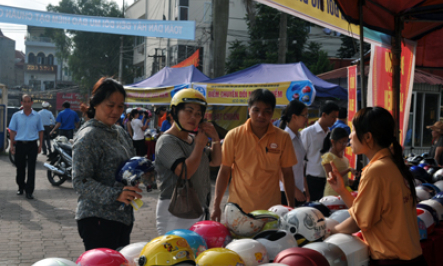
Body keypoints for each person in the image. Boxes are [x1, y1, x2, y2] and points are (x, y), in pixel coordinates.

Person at [328, 107, 425, 265]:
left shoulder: (376, 170)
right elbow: (365, 214)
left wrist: (331, 231)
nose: (350, 137)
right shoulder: (392, 163)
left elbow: (357, 223)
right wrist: (341, 190)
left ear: (367, 137)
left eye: (353, 130)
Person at [72, 77, 142, 251]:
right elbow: (81, 181)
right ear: (95, 103)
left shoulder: (119, 131)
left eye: (120, 106)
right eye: (110, 105)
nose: (116, 111)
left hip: (122, 217)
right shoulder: (89, 136)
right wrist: (116, 194)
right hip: (97, 220)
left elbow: (128, 164)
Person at [211, 89, 297, 221]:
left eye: (267, 111)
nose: (261, 115)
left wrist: (291, 206)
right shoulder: (233, 136)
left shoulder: (283, 138)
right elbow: (224, 171)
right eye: (256, 110)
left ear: (272, 113)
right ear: (249, 109)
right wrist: (216, 206)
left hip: (271, 212)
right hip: (238, 211)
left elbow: (287, 173)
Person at [155, 88, 221, 235]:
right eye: (188, 111)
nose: (194, 117)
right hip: (174, 211)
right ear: (175, 112)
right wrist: (199, 145)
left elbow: (216, 161)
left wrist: (215, 138)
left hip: (197, 208)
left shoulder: (193, 139)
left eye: (198, 114)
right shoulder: (166, 141)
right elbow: (185, 172)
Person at [300, 100, 339, 201]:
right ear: (324, 115)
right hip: (312, 180)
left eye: (336, 118)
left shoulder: (331, 134)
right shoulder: (308, 133)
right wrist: (304, 186)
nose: (335, 120)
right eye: (333, 117)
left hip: (327, 179)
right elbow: (301, 160)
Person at [9, 95, 44, 200]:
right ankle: (21, 187)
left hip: (32, 145)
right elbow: (12, 131)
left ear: (32, 103)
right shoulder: (16, 116)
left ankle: (29, 191)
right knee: (20, 167)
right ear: (21, 103)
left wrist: (40, 145)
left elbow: (41, 131)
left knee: (31, 168)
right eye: (24, 101)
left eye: (29, 102)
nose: (27, 104)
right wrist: (11, 145)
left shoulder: (37, 116)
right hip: (20, 144)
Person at [278, 100, 310, 207]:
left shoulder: (298, 136)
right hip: (286, 192)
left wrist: (305, 189)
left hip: (299, 190)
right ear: (294, 117)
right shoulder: (284, 137)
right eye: (304, 115)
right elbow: (279, 169)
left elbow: (301, 166)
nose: (306, 118)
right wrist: (294, 191)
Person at [320, 127, 358, 196]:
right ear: (333, 142)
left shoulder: (345, 159)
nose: (344, 145)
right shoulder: (328, 157)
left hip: (344, 195)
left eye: (345, 142)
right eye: (341, 142)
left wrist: (355, 182)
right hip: (332, 195)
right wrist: (348, 170)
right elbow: (332, 177)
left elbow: (344, 179)